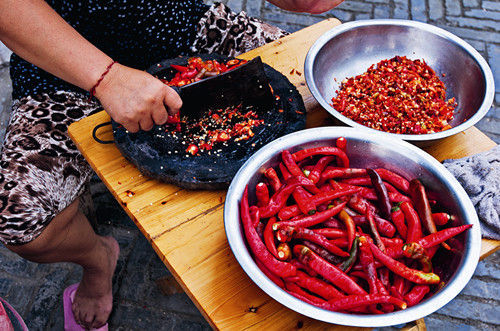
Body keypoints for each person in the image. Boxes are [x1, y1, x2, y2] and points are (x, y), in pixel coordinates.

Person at [0, 0, 344, 329]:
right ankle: (98, 259)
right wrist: (105, 78)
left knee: (322, 75)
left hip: (178, 28)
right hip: (59, 65)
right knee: (20, 222)